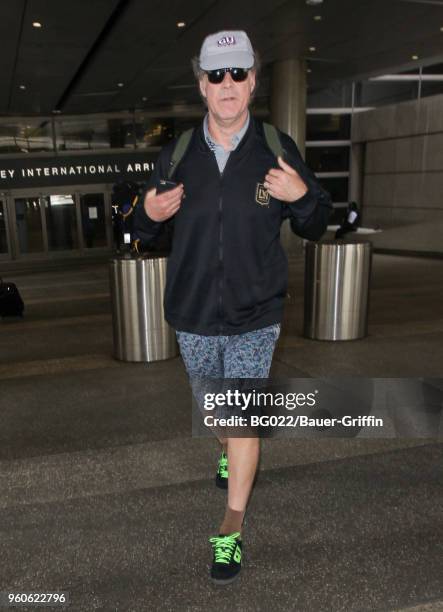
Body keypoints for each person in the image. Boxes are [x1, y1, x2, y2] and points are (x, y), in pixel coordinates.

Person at [134, 30, 332, 584]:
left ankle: (230, 529)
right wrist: (147, 213)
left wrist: (303, 198)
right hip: (193, 313)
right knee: (217, 413)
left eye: (238, 74)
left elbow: (318, 222)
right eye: (216, 75)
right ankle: (226, 446)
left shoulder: (275, 146)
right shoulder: (176, 154)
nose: (227, 85)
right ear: (201, 84)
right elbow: (140, 231)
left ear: (252, 82)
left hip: (255, 315)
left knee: (242, 419)